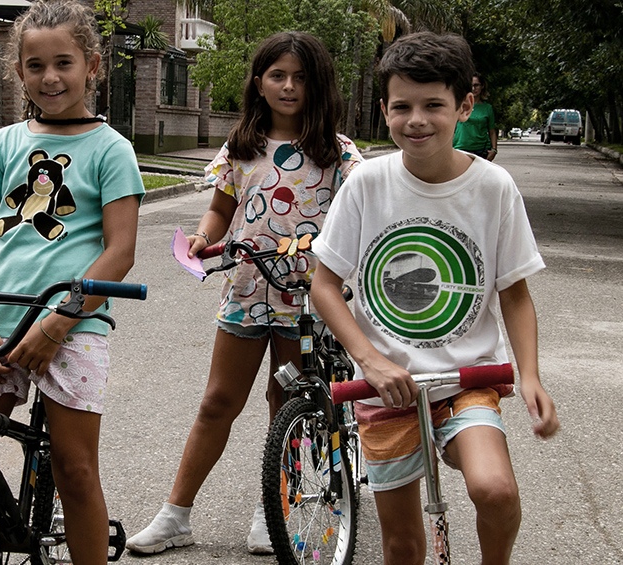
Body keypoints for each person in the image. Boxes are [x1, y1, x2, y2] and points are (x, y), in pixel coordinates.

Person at [309, 32, 559, 565]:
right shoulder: (367, 183)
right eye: (402, 107)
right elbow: (324, 285)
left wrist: (530, 374)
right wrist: (371, 362)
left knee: (496, 491)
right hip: (386, 389)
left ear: (464, 106)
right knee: (402, 546)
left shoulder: (493, 188)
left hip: (468, 380)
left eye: (433, 106)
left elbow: (513, 293)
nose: (416, 120)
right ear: (384, 110)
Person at [125, 31, 362, 556]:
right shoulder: (241, 147)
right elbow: (220, 210)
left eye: (300, 77)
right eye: (277, 75)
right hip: (246, 290)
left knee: (290, 406)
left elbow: (358, 223)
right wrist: (203, 237)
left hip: (307, 300)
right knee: (217, 401)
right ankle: (174, 515)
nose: (288, 86)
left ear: (317, 85)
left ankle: (270, 511)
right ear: (258, 81)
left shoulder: (339, 155)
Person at [0, 0, 144, 562]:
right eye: (35, 66)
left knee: (75, 472)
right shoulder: (3, 144)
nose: (50, 78)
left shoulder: (111, 150)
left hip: (73, 331)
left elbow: (119, 250)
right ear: (19, 71)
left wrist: (60, 322)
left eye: (64, 63)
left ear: (92, 66)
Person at [453, 72, 498, 160]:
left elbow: (492, 131)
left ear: (482, 86)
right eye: (471, 85)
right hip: (460, 148)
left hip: (481, 150)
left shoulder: (487, 108)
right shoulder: (459, 105)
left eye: (476, 85)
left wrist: (494, 150)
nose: (473, 88)